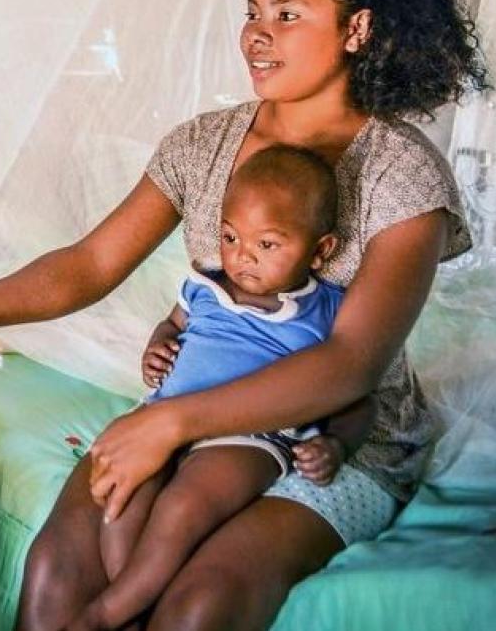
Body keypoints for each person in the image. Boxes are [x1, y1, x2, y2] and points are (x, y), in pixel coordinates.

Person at [0, 0, 483, 630]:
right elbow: (88, 264)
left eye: (287, 15)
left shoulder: (403, 174)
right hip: (195, 401)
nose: (257, 35)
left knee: (197, 605)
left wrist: (171, 424)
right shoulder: (204, 143)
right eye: (252, 12)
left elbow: (351, 363)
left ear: (356, 29)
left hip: (331, 438)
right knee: (58, 570)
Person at [64, 145, 373, 631]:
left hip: (249, 437)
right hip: (166, 418)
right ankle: (135, 603)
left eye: (267, 245)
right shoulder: (204, 285)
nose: (242, 256)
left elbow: (354, 390)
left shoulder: (326, 309)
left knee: (184, 505)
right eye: (230, 236)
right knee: (121, 495)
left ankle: (105, 614)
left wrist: (336, 442)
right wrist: (160, 344)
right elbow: (173, 325)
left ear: (321, 250)